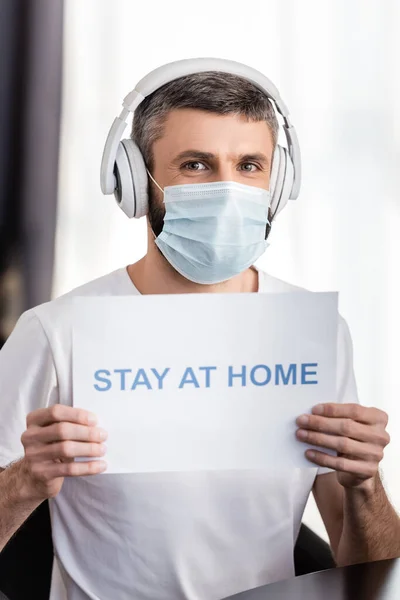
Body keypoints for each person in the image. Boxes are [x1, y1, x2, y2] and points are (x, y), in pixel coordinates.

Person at [0, 58, 398, 600]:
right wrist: (26, 479)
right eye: (195, 164)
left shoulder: (314, 332)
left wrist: (366, 485)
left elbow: (371, 576)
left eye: (250, 165)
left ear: (278, 184)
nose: (229, 189)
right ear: (136, 182)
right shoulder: (55, 332)